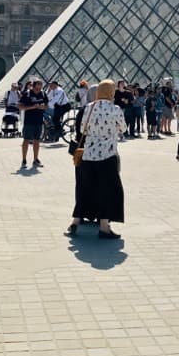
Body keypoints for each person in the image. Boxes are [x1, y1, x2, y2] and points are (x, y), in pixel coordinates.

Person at [65, 79, 126, 240]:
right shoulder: (116, 109)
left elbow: (81, 128)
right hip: (107, 156)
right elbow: (123, 128)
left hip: (88, 156)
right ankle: (104, 227)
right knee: (107, 191)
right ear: (111, 92)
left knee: (85, 189)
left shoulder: (89, 108)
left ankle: (75, 222)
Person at [19, 79, 48, 168]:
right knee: (26, 140)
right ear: (34, 86)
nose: (39, 89)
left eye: (41, 87)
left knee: (37, 140)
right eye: (37, 88)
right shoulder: (27, 94)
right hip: (29, 121)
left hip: (39, 121)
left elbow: (47, 106)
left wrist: (42, 107)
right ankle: (24, 160)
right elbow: (20, 106)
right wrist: (32, 107)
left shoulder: (43, 94)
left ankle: (35, 159)